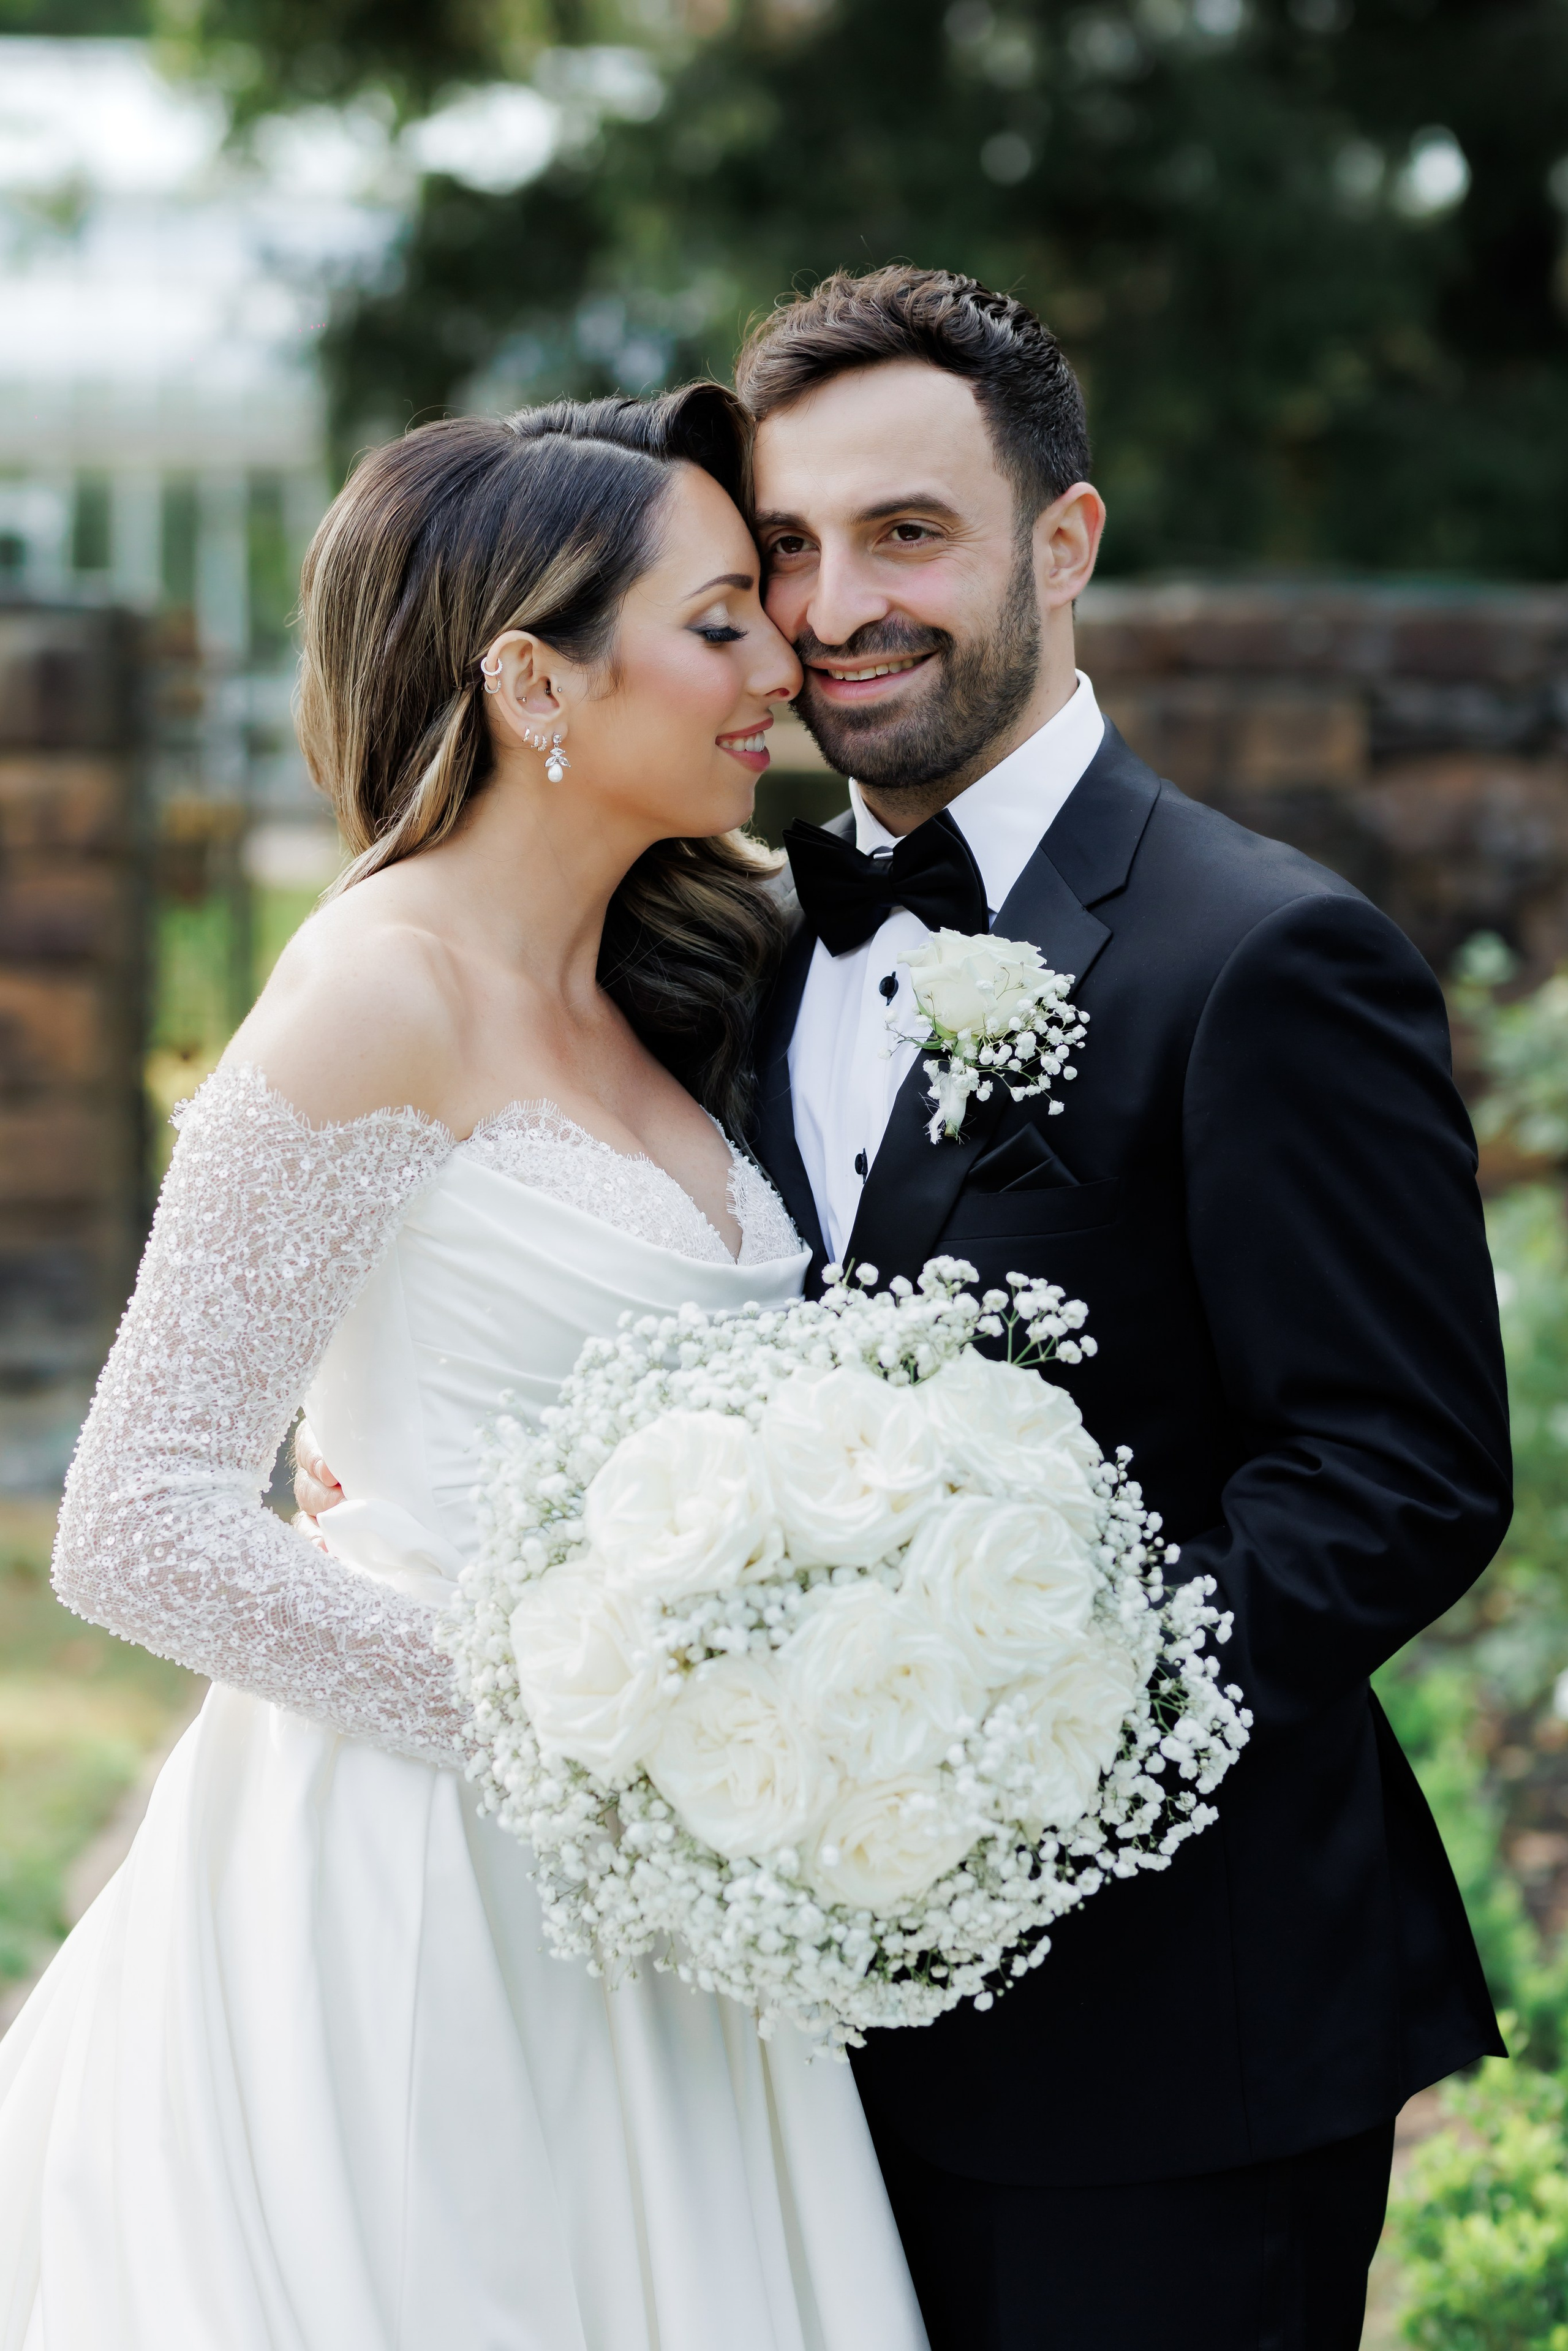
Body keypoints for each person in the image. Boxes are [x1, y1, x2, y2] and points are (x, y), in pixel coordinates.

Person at [0, 386, 929, 2351]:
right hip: (416, 1884)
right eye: (719, 624)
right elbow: (136, 1520)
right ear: (533, 683)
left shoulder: (673, 980)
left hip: (663, 1904)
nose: (783, 664)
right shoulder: (379, 986)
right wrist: (580, 1728)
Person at [730, 265, 1512, 2351]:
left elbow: (1401, 1474)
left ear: (1063, 543)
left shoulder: (1267, 954)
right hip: (778, 2063)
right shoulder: (732, 955)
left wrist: (1018, 1745)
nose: (836, 608)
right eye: (787, 547)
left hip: (1169, 2050)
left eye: (908, 533)